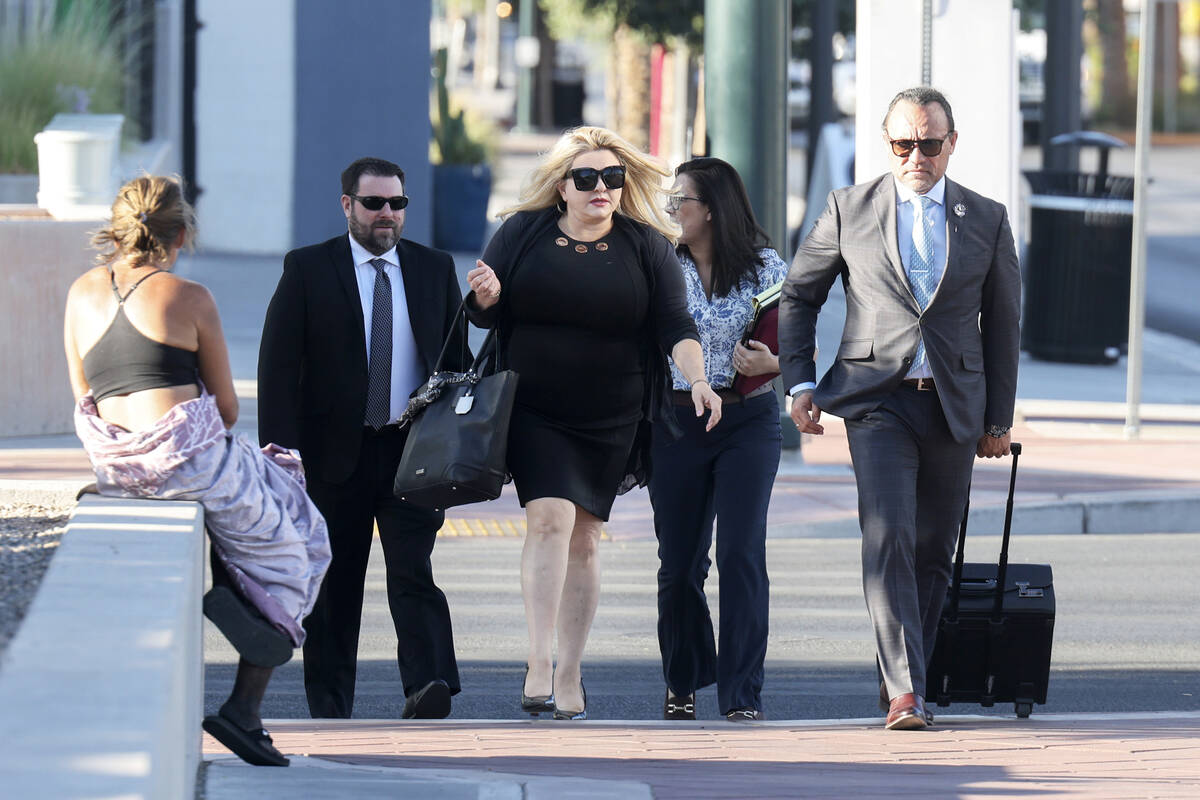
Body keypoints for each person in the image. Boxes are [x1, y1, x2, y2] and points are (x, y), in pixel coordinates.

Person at [64, 175, 331, 767]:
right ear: (182, 231)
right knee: (300, 538)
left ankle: (235, 584)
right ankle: (243, 709)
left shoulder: (81, 291)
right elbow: (228, 409)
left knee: (253, 507)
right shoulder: (189, 296)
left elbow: (83, 391)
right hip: (191, 462)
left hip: (121, 463)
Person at [779, 87, 1020, 730]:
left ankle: (902, 674)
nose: (916, 155)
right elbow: (798, 297)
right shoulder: (847, 208)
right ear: (887, 145)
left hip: (951, 405)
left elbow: (1003, 323)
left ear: (951, 143)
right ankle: (906, 693)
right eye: (902, 143)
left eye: (929, 143)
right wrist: (799, 382)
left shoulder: (988, 218)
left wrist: (998, 419)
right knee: (888, 538)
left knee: (934, 550)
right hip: (875, 402)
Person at [465, 126, 722, 720]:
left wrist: (700, 379)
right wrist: (485, 295)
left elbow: (675, 327)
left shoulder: (646, 246)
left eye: (612, 177)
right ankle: (536, 660)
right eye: (586, 178)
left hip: (612, 413)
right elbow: (484, 316)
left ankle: (572, 669)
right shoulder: (521, 234)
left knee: (585, 538)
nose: (601, 187)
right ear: (562, 186)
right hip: (534, 408)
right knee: (549, 521)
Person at [258, 157, 470, 720]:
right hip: (334, 456)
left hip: (411, 451)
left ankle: (429, 684)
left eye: (397, 204)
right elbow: (278, 369)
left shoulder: (433, 269)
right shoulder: (307, 269)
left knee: (413, 569)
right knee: (336, 584)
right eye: (374, 203)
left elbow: (456, 364)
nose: (387, 215)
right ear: (347, 204)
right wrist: (281, 457)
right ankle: (329, 704)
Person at [651, 157, 787, 722]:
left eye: (679, 199)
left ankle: (741, 695)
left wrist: (773, 363)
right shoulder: (660, 262)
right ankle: (682, 680)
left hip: (747, 421)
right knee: (680, 564)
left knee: (740, 553)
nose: (671, 209)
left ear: (710, 209)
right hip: (676, 422)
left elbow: (790, 349)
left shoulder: (765, 267)